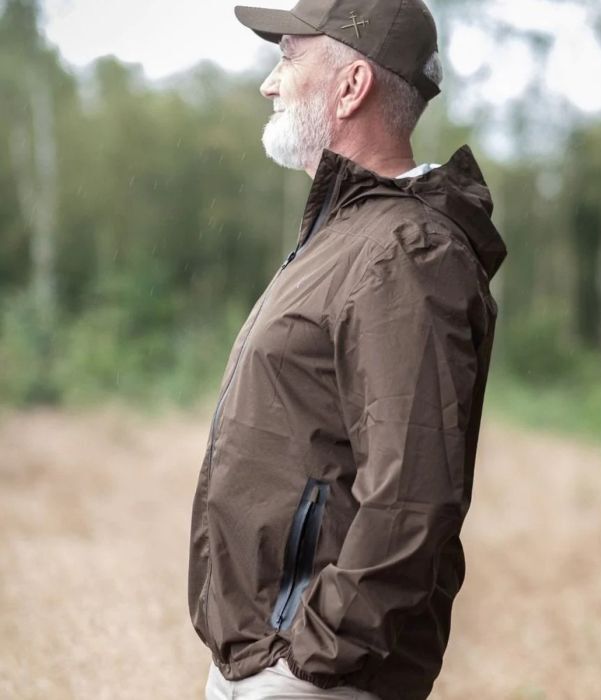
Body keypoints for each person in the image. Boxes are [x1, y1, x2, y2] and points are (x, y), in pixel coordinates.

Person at [188, 0, 508, 698]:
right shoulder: (348, 237)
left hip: (311, 673)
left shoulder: (406, 253)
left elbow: (412, 493)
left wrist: (313, 657)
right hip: (262, 659)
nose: (269, 84)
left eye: (288, 58)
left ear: (352, 85)